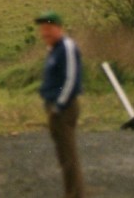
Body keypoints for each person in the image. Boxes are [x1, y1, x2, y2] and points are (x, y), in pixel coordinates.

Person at [35, 11, 84, 198]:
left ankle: (76, 195)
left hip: (64, 109)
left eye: (48, 28)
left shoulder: (67, 47)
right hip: (54, 108)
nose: (44, 33)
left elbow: (71, 79)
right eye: (42, 29)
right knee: (64, 156)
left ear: (58, 28)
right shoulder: (53, 49)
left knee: (69, 156)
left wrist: (59, 105)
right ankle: (71, 193)